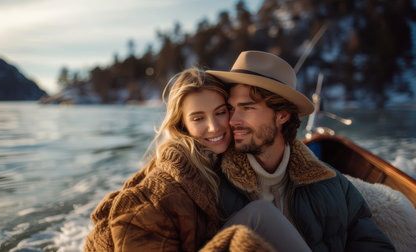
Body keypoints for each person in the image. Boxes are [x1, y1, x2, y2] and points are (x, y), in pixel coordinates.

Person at [84, 68, 293, 252]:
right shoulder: (167, 187)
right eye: (198, 118)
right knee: (260, 214)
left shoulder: (231, 159)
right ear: (182, 125)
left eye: (220, 112)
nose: (214, 127)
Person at [207, 50, 395, 251]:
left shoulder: (333, 184)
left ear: (282, 115)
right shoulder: (211, 182)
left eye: (247, 108)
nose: (233, 120)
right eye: (231, 109)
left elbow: (374, 246)